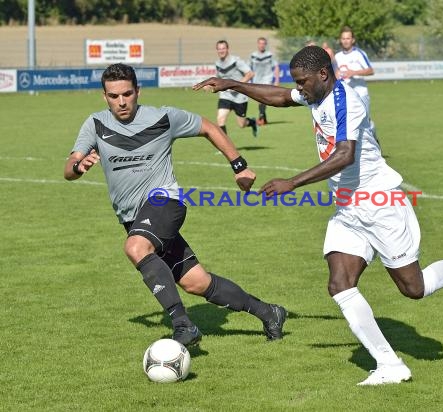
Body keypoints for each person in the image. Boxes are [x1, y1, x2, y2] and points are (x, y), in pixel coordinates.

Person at [193, 46, 443, 385]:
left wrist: (293, 182)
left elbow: (345, 155)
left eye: (303, 81)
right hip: (349, 210)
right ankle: (390, 365)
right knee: (340, 284)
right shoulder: (315, 95)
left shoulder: (346, 101)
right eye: (297, 82)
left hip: (381, 206)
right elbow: (279, 97)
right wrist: (234, 84)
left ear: (323, 74)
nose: (299, 88)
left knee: (414, 288)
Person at [64, 63, 286, 347]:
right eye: (113, 96)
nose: (121, 101)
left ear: (138, 91)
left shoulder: (163, 117)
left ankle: (183, 325)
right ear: (104, 96)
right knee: (197, 282)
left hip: (164, 201)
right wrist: (78, 166)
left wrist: (239, 165)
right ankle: (270, 313)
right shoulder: (95, 124)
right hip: (134, 218)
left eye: (127, 94)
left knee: (135, 248)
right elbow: (69, 168)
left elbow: (208, 126)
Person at [334, 26, 377, 137]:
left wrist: (353, 73)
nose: (346, 41)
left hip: (360, 93)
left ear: (353, 40)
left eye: (348, 38)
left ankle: (374, 141)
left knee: (364, 123)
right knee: (349, 123)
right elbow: (335, 74)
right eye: (343, 38)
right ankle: (354, 150)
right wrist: (336, 75)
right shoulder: (337, 56)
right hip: (346, 95)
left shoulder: (359, 54)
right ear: (340, 40)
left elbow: (371, 70)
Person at [214, 40, 258, 137]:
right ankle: (225, 148)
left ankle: (252, 122)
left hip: (239, 96)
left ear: (227, 49)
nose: (221, 51)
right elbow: (218, 78)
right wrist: (209, 85)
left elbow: (250, 74)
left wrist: (236, 86)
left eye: (223, 48)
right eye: (219, 49)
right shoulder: (217, 64)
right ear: (217, 50)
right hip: (225, 96)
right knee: (220, 119)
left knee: (242, 124)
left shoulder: (236, 61)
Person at [249, 37, 280, 125]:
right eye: (260, 43)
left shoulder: (270, 55)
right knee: (260, 100)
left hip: (267, 79)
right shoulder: (253, 55)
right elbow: (248, 68)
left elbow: (276, 67)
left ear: (265, 45)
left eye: (263, 43)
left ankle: (261, 116)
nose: (262, 45)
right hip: (256, 80)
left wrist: (277, 80)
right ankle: (264, 117)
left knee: (263, 98)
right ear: (257, 44)